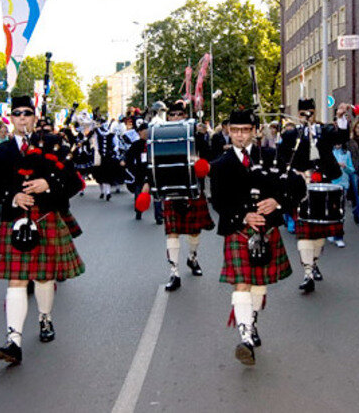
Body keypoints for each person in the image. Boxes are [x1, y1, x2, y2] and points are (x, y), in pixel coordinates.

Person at [0, 96, 85, 364]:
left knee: (43, 277)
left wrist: (48, 185)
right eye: (16, 113)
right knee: (16, 279)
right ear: (11, 118)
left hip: (45, 217)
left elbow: (74, 182)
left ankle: (44, 318)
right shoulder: (0, 151)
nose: (21, 118)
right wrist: (13, 198)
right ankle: (13, 341)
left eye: (26, 113)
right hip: (14, 221)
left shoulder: (53, 145)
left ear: (34, 117)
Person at [209, 107, 299, 366]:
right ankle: (246, 338)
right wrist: (243, 216)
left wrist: (277, 201)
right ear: (228, 131)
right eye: (235, 130)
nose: (240, 135)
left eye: (245, 130)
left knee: (259, 285)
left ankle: (252, 321)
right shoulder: (220, 165)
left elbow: (295, 184)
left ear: (254, 131)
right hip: (239, 230)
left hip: (267, 230)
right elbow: (219, 203)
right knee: (242, 284)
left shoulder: (270, 156)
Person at [142, 101, 215, 292]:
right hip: (170, 189)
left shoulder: (194, 134)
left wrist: (202, 153)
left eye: (178, 114)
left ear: (184, 116)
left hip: (191, 187)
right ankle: (174, 272)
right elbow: (151, 161)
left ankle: (192, 258)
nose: (175, 118)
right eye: (171, 115)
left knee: (194, 231)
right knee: (171, 232)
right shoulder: (158, 135)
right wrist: (146, 185)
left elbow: (208, 156)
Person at [277, 98, 342, 293]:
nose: (307, 117)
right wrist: (293, 173)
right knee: (304, 232)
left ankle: (313, 264)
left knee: (319, 233)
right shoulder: (290, 135)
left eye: (310, 113)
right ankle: (307, 274)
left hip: (322, 185)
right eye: (304, 114)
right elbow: (279, 158)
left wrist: (340, 119)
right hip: (300, 188)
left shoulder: (325, 132)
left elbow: (341, 136)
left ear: (315, 113)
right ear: (298, 115)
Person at [122, 122, 151, 220]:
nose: (146, 133)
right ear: (139, 132)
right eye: (144, 131)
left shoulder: (153, 143)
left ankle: (159, 216)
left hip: (152, 171)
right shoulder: (136, 144)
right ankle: (138, 211)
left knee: (156, 195)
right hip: (140, 171)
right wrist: (126, 162)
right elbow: (129, 156)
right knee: (138, 192)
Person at [327, 141, 354, 248]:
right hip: (330, 184)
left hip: (342, 185)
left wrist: (345, 167)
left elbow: (351, 170)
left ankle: (338, 237)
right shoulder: (328, 152)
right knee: (330, 210)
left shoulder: (346, 153)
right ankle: (330, 231)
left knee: (340, 211)